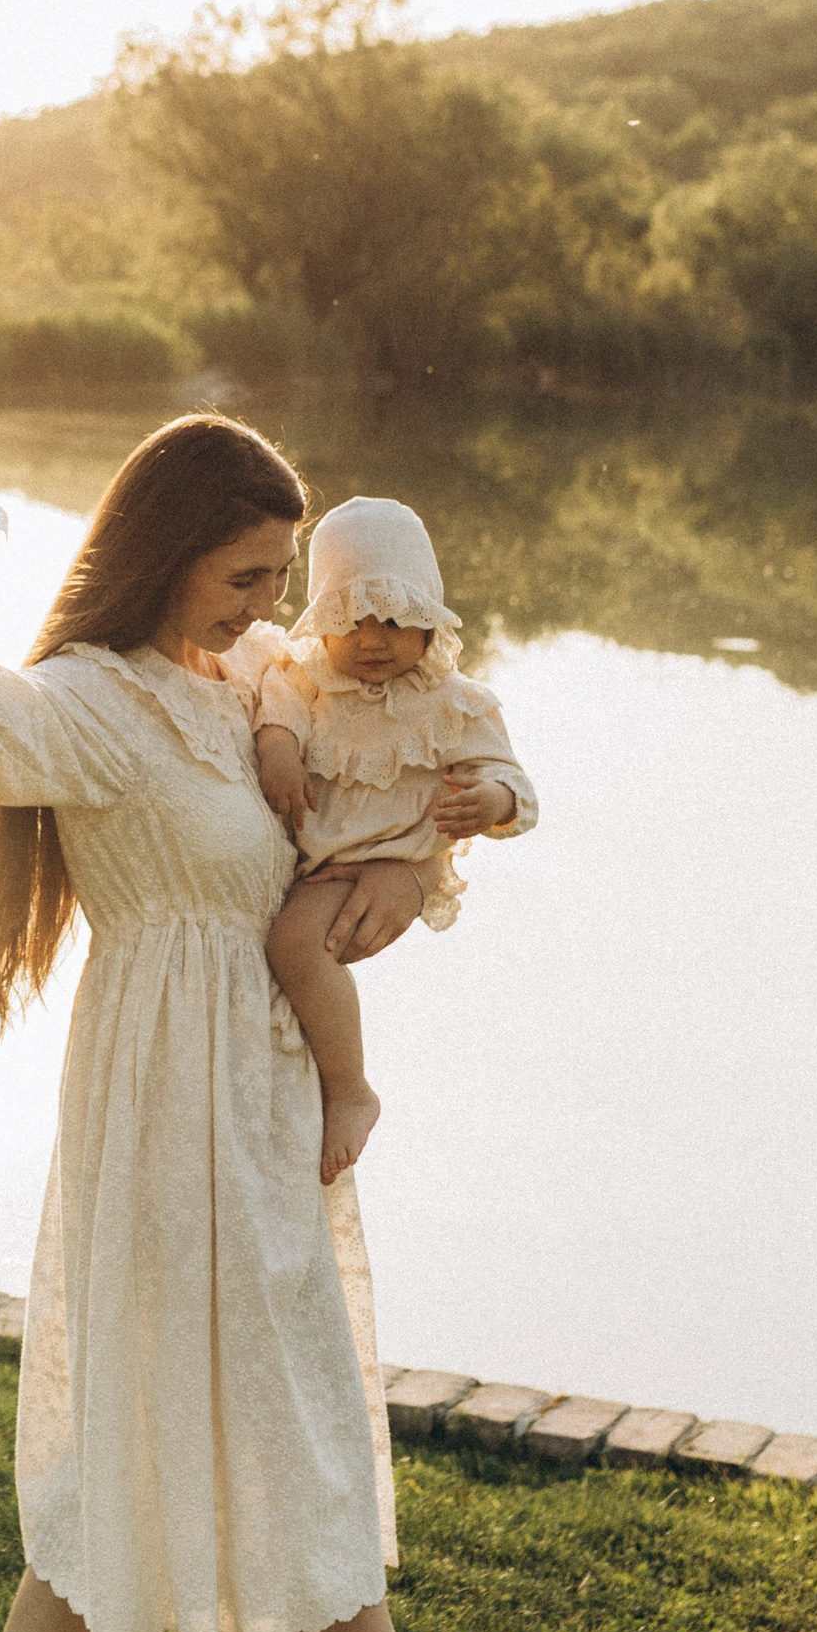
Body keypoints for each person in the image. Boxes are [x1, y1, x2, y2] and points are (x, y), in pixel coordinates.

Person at [0, 411, 520, 1632]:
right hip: (173, 1094)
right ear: (164, 556)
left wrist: (423, 857)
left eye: (284, 579)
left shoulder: (252, 684)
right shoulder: (97, 700)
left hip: (260, 1083)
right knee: (289, 1410)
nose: (270, 610)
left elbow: (358, 822)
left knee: (182, 1384)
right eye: (243, 578)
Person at [241, 494, 537, 1190]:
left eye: (397, 620)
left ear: (431, 619)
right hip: (316, 864)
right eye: (352, 619)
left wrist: (487, 800)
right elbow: (276, 709)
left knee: (293, 945)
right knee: (291, 951)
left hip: (380, 865)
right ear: (322, 621)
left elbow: (514, 783)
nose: (374, 639)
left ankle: (351, 1089)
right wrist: (278, 748)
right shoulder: (308, 680)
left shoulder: (457, 701)